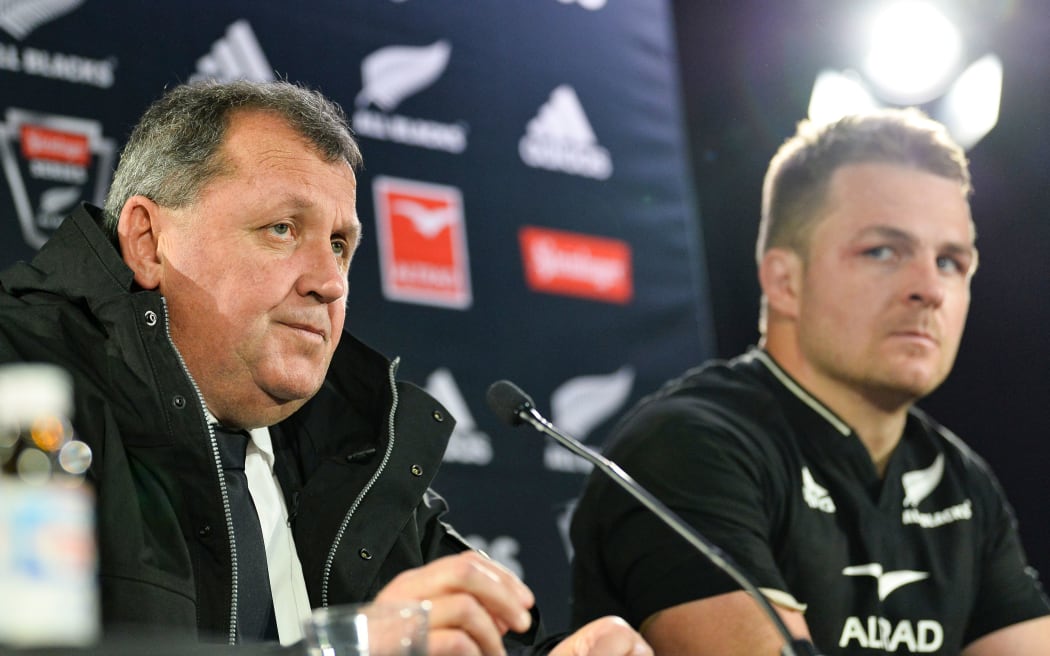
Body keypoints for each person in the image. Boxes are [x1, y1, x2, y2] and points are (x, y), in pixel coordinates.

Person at [0, 79, 651, 656]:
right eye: (283, 228)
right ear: (149, 242)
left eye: (340, 245)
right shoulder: (23, 381)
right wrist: (344, 650)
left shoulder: (356, 446)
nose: (329, 283)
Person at [569, 109, 1050, 655]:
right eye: (883, 251)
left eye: (949, 261)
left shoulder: (963, 483)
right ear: (784, 280)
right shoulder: (688, 445)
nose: (929, 289)